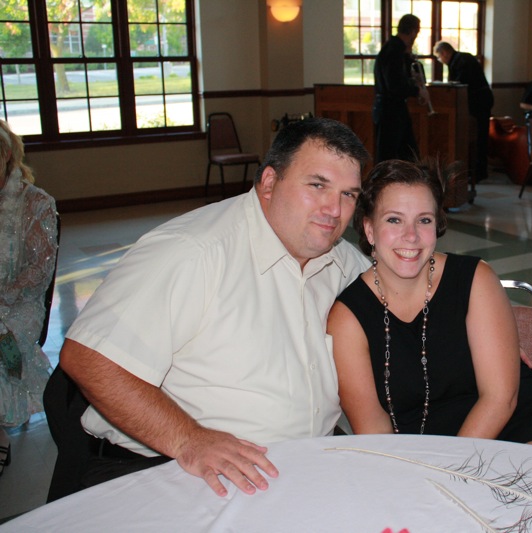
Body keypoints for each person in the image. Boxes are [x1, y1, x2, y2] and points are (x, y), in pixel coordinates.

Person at [57, 117, 371, 497]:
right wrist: (188, 439)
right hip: (172, 471)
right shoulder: (193, 251)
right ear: (269, 182)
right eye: (317, 185)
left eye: (348, 195)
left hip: (298, 469)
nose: (334, 210)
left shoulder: (342, 261)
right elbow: (89, 358)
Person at [327, 159, 532, 453]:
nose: (411, 236)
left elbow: (500, 399)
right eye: (394, 220)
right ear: (369, 230)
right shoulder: (348, 318)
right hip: (422, 448)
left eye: (424, 220)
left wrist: (451, 466)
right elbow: (373, 428)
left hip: (519, 423)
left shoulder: (475, 279)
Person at [0, 120, 58, 476]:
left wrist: (4, 297)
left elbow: (40, 269)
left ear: (6, 154)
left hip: (20, 302)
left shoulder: (36, 203)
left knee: (2, 339)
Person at [433, 41, 494, 183]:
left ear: (444, 53)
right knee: (478, 136)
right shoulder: (461, 59)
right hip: (478, 101)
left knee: (479, 136)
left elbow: (460, 84)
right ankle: (477, 171)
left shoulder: (461, 61)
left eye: (439, 57)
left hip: (479, 102)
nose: (440, 60)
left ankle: (479, 171)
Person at [373, 14, 430, 164]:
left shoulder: (397, 49)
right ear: (413, 31)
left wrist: (409, 59)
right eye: (417, 32)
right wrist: (417, 91)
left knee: (406, 153)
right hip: (390, 110)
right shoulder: (394, 50)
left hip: (393, 108)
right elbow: (395, 85)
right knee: (391, 156)